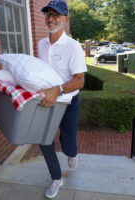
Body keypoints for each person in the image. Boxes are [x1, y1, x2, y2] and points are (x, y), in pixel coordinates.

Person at [37, 0, 87, 198]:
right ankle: (57, 178)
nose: (51, 19)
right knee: (44, 140)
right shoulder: (41, 43)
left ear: (65, 20)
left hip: (68, 103)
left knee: (67, 145)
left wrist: (58, 89)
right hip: (46, 102)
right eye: (48, 14)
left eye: (56, 15)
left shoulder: (73, 46)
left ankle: (73, 153)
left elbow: (80, 81)